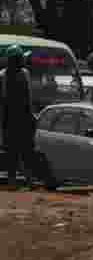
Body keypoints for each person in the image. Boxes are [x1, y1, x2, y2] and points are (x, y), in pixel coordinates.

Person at [2, 45, 36, 190]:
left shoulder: (3, 75)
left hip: (9, 119)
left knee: (12, 153)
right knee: (25, 151)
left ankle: (13, 182)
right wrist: (31, 116)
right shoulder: (24, 73)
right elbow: (28, 98)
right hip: (21, 118)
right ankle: (27, 181)